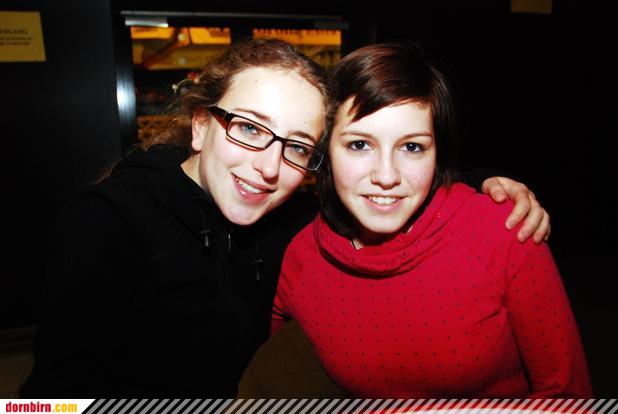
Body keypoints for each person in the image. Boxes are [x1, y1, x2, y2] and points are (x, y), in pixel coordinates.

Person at [21, 38, 549, 397]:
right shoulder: (108, 222)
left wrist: (484, 182)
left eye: (296, 146)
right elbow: (50, 398)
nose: (269, 167)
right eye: (249, 129)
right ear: (201, 126)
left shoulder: (291, 223)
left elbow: (379, 186)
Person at [272, 42, 592, 397]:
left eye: (412, 147)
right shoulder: (298, 257)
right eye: (360, 145)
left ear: (437, 153)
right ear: (325, 151)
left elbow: (567, 397)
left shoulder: (504, 231)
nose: (387, 176)